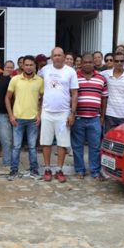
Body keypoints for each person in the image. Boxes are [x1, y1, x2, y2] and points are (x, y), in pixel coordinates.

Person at [39, 47, 79, 183]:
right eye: (54, 55)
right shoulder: (45, 70)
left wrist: (72, 113)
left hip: (63, 113)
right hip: (47, 112)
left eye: (59, 55)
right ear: (51, 57)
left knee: (62, 144)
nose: (57, 57)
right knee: (46, 142)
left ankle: (59, 170)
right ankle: (47, 169)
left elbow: (74, 94)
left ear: (64, 57)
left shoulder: (70, 71)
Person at [5, 55, 44, 180]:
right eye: (26, 65)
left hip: (33, 119)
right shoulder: (15, 79)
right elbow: (7, 98)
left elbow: (43, 99)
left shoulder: (39, 81)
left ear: (35, 66)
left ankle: (34, 171)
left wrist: (40, 114)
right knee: (16, 147)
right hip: (17, 119)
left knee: (32, 147)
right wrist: (11, 115)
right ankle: (13, 171)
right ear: (22, 66)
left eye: (31, 65)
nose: (28, 67)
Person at [71, 53, 108, 181]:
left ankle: (95, 171)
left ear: (94, 63)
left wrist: (102, 116)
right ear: (81, 63)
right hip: (78, 118)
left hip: (94, 118)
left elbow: (104, 98)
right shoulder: (74, 76)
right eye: (85, 62)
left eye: (90, 62)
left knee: (95, 146)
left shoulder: (101, 78)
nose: (87, 64)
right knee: (77, 146)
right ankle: (80, 170)